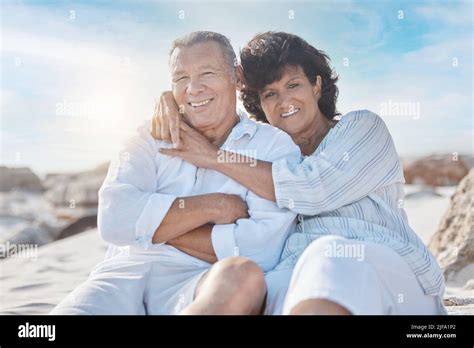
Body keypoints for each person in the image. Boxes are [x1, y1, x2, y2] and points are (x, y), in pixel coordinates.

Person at [153, 31, 447, 315]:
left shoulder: (362, 129)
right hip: (294, 275)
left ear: (316, 86)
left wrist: (214, 158)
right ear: (261, 105)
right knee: (242, 291)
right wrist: (171, 100)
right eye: (270, 93)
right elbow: (241, 240)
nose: (284, 102)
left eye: (293, 85)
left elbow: (313, 187)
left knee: (328, 254)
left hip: (386, 271)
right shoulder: (261, 154)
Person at [51, 31, 299, 315]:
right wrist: (213, 206)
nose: (193, 88)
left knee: (242, 275)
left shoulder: (272, 145)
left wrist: (148, 229)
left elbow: (260, 250)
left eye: (207, 72)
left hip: (199, 279)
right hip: (124, 273)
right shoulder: (147, 136)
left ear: (237, 77)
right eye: (181, 78)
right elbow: (113, 221)